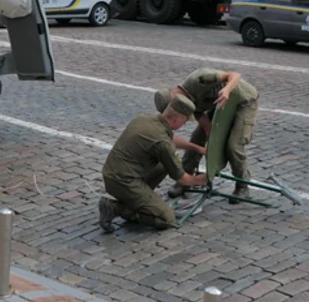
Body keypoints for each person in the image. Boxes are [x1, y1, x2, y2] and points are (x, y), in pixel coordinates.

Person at [99, 95, 208, 232]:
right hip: (124, 182)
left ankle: (140, 200)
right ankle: (116, 208)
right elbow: (183, 179)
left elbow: (171, 139)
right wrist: (204, 179)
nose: (184, 124)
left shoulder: (146, 119)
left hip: (113, 173)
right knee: (167, 219)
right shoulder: (162, 142)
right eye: (185, 121)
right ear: (176, 119)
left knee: (163, 166)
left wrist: (198, 148)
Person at [156, 68, 260, 204]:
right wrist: (210, 132)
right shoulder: (185, 103)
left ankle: (242, 185)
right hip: (221, 105)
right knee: (196, 138)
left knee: (234, 145)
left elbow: (234, 75)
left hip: (244, 101)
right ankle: (184, 180)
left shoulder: (200, 79)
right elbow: (202, 119)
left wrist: (227, 90)